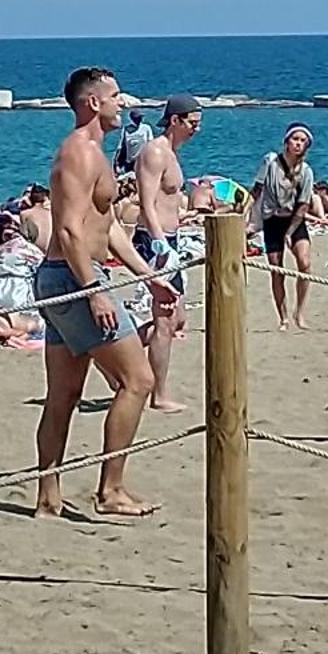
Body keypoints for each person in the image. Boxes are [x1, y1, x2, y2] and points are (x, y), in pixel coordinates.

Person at [32, 67, 159, 519]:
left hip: (68, 276)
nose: (122, 103)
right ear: (92, 102)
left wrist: (150, 276)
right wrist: (95, 292)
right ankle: (111, 490)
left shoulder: (97, 154)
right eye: (115, 96)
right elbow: (68, 230)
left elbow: (108, 230)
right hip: (73, 278)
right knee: (138, 380)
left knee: (64, 395)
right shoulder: (80, 154)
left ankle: (48, 499)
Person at [132, 93, 200, 414]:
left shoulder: (173, 153)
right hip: (153, 241)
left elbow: (168, 200)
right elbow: (146, 203)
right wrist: (160, 246)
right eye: (193, 123)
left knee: (178, 319)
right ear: (175, 120)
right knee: (165, 319)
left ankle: (116, 348)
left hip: (171, 238)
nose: (196, 130)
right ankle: (158, 394)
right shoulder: (154, 152)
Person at [251, 124, 318, 331]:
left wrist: (290, 232)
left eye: (302, 141)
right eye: (295, 139)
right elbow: (256, 190)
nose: (298, 144)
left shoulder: (306, 171)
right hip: (272, 219)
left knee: (304, 263)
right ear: (287, 141)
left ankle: (300, 312)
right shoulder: (270, 162)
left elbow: (304, 203)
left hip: (294, 219)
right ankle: (283, 317)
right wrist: (246, 217)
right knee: (277, 269)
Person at [113, 108, 153, 176]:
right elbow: (122, 147)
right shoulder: (126, 130)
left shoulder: (146, 128)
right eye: (138, 118)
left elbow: (151, 145)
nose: (140, 119)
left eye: (140, 117)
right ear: (132, 119)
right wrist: (117, 165)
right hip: (130, 163)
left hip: (142, 162)